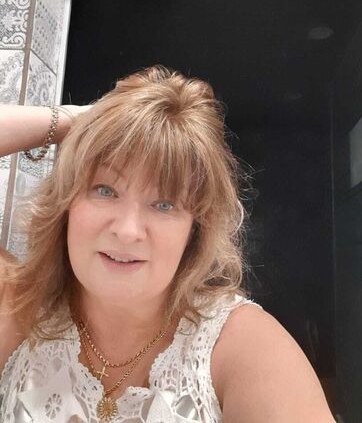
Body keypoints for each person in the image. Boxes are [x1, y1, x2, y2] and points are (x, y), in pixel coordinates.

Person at [0, 65, 335, 422]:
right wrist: (78, 121)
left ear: (195, 229)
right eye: (105, 190)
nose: (128, 231)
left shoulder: (246, 349)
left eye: (164, 204)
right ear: (66, 203)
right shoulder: (18, 308)